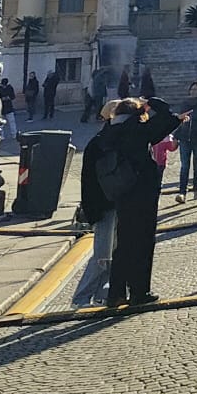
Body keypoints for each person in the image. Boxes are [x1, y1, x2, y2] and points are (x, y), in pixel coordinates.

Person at [80, 95, 180, 308]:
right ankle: (139, 292)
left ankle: (116, 294)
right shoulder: (138, 130)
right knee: (142, 244)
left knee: (123, 245)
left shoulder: (106, 134)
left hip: (121, 195)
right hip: (142, 194)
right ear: (137, 114)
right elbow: (168, 117)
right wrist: (151, 102)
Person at [71, 101, 121, 307]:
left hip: (113, 203)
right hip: (104, 205)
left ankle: (102, 294)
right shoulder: (101, 143)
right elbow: (89, 180)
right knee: (102, 256)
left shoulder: (109, 140)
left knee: (112, 253)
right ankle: (80, 298)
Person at [174, 82, 197, 201]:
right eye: (192, 89)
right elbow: (180, 119)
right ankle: (182, 192)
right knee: (184, 165)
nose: (193, 92)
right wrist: (176, 136)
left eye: (195, 89)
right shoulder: (185, 103)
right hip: (185, 136)